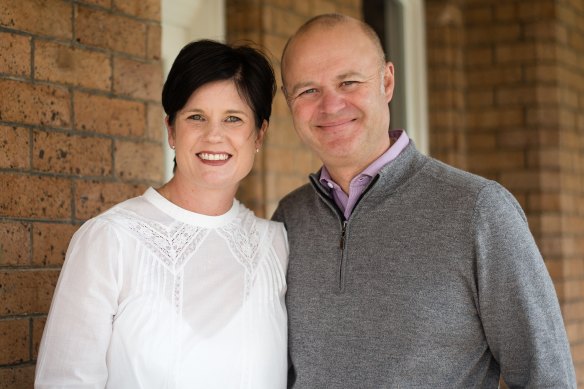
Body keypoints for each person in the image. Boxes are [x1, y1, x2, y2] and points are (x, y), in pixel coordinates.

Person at [272, 13, 576, 388]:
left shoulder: (479, 211)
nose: (331, 105)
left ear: (386, 81)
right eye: (308, 90)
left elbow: (545, 378)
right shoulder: (288, 218)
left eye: (348, 82)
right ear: (288, 102)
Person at [35, 40, 288, 389]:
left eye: (233, 119)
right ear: (171, 129)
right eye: (196, 117)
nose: (214, 136)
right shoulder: (111, 239)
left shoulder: (277, 244)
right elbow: (66, 381)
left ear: (259, 133)